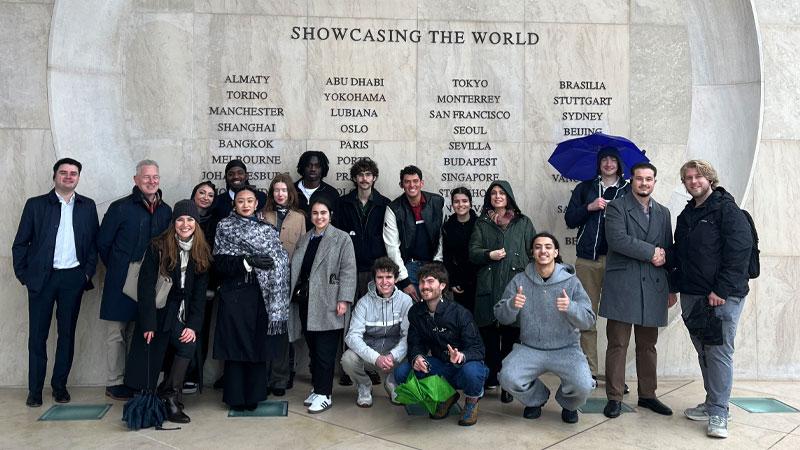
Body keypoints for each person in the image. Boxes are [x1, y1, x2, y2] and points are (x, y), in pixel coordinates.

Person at [673, 160, 753, 439]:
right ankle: (710, 403)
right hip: (692, 295)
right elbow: (679, 255)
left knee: (718, 351)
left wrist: (720, 290)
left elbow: (739, 253)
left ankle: (720, 410)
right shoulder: (687, 215)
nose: (693, 181)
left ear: (710, 179)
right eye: (688, 178)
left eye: (698, 177)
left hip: (721, 297)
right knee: (704, 351)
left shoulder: (727, 210)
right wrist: (673, 287)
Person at [12, 158, 99, 407]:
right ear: (54, 176)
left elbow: (93, 243)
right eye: (64, 173)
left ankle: (59, 386)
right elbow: (20, 244)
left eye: (74, 173)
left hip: (73, 277)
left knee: (67, 334)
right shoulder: (36, 205)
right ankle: (35, 390)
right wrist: (25, 276)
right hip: (42, 278)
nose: (69, 177)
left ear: (78, 178)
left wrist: (86, 274)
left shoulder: (87, 206)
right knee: (37, 336)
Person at [599, 162, 677, 419]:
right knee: (618, 343)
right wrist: (651, 252)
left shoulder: (664, 213)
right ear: (631, 180)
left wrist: (670, 287)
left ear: (655, 182)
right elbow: (618, 240)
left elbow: (667, 248)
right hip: (624, 285)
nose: (644, 183)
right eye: (639, 179)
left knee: (648, 345)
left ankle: (648, 395)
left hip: (654, 286)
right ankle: (614, 398)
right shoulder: (617, 208)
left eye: (649, 179)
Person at [124, 200, 211, 423]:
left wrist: (193, 325)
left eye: (190, 219)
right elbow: (145, 288)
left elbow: (200, 296)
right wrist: (148, 324)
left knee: (188, 342)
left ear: (196, 223)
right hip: (162, 312)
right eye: (180, 219)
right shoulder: (158, 246)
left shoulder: (201, 249)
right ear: (173, 222)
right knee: (184, 346)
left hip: (183, 313)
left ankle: (169, 392)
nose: (185, 224)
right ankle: (170, 396)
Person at [496, 233, 595, 423]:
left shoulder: (571, 282)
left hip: (567, 349)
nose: (543, 251)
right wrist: (512, 305)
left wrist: (571, 308)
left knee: (584, 385)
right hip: (530, 347)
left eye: (548, 247)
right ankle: (536, 399)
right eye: (538, 247)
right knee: (508, 377)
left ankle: (568, 404)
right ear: (532, 252)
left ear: (556, 252)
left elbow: (589, 320)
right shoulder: (519, 281)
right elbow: (501, 316)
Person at [97, 159, 172, 400]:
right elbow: (103, 244)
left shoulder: (165, 210)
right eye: (146, 177)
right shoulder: (120, 208)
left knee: (140, 331)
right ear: (136, 180)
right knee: (116, 332)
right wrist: (121, 267)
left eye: (155, 177)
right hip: (121, 280)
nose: (151, 181)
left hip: (150, 283)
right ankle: (115, 381)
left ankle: (134, 379)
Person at [212, 186, 290, 411]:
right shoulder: (224, 227)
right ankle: (236, 397)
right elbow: (220, 264)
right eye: (240, 201)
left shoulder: (267, 229)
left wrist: (271, 263)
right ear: (234, 204)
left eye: (250, 201)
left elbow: (280, 258)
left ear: (257, 204)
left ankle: (255, 395)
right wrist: (247, 261)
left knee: (257, 345)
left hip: (262, 295)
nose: (245, 205)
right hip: (235, 294)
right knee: (236, 346)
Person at [393, 263, 488, 427]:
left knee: (473, 373)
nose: (424, 286)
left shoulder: (460, 313)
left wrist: (461, 356)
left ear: (442, 285)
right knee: (402, 372)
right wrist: (417, 357)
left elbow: (478, 349)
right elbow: (415, 342)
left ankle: (472, 400)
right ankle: (446, 395)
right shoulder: (416, 312)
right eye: (422, 282)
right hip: (441, 364)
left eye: (430, 281)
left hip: (464, 366)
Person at [564, 147, 630, 380]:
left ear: (620, 164)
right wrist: (589, 207)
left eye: (613, 159)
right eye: (605, 160)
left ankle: (615, 376)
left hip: (619, 263)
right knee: (586, 317)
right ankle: (589, 372)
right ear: (599, 164)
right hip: (588, 261)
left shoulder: (628, 189)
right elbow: (570, 219)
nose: (609, 163)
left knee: (617, 321)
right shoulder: (586, 188)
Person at [468, 181, 536, 402]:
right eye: (494, 193)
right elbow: (473, 252)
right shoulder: (482, 222)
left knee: (511, 336)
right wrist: (489, 254)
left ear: (509, 197)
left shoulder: (523, 222)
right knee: (489, 334)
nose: (497, 196)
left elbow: (532, 251)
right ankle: (492, 377)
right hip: (488, 285)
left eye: (502, 193)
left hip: (515, 284)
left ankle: (508, 383)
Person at [290, 198, 356, 413]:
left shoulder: (341, 238)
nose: (319, 217)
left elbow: (348, 270)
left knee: (326, 352)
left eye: (323, 213)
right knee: (314, 350)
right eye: (315, 213)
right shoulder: (306, 238)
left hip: (330, 302)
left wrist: (344, 299)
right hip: (307, 303)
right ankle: (318, 389)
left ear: (331, 215)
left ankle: (325, 393)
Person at [334, 157, 391, 386]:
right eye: (360, 174)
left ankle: (370, 367)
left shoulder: (384, 204)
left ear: (374, 178)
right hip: (350, 269)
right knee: (348, 320)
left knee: (372, 322)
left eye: (368, 174)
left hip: (375, 270)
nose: (364, 179)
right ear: (355, 178)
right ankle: (348, 369)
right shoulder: (343, 203)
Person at [341, 257, 413, 407]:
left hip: (395, 356)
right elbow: (352, 337)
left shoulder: (406, 301)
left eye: (389, 277)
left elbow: (408, 336)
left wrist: (393, 355)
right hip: (371, 355)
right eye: (380, 277)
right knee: (347, 359)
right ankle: (364, 386)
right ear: (374, 279)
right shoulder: (364, 303)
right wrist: (376, 358)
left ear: (396, 279)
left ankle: (392, 382)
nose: (384, 282)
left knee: (416, 351)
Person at [258, 173, 306, 395]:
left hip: (288, 281)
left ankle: (280, 378)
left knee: (284, 332)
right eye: (276, 190)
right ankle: (263, 377)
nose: (280, 194)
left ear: (290, 193)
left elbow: (303, 251)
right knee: (265, 330)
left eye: (284, 190)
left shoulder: (299, 217)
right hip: (265, 282)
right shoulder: (262, 215)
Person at [383, 165, 444, 301]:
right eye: (407, 181)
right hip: (408, 266)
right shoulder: (394, 209)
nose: (412, 185)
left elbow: (440, 235)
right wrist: (404, 280)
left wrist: (437, 263)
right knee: (410, 310)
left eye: (415, 181)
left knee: (434, 309)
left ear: (421, 183)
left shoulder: (436, 202)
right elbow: (392, 246)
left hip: (432, 264)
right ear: (401, 185)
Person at [183, 181, 217, 394]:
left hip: (205, 286)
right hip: (181, 285)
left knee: (200, 331)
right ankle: (180, 374)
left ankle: (195, 376)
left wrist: (212, 286)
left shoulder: (215, 222)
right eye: (201, 193)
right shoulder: (181, 219)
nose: (205, 197)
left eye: (210, 194)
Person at [441, 187, 479, 313]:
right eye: (457, 201)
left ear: (470, 203)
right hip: (459, 283)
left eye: (465, 201)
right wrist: (452, 281)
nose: (461, 204)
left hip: (479, 280)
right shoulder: (448, 227)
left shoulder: (480, 224)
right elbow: (447, 256)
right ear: (452, 204)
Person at [295, 151, 339, 231]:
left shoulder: (331, 193)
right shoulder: (291, 190)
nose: (313, 169)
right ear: (302, 167)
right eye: (309, 165)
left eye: (317, 166)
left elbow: (336, 224)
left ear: (323, 168)